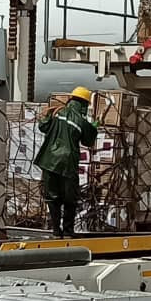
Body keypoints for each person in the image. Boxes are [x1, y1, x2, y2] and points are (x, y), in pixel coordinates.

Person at [33, 87, 98, 238]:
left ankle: (56, 232)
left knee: (52, 197)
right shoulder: (82, 122)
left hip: (49, 161)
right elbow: (88, 141)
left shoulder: (57, 113)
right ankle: (68, 232)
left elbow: (43, 127)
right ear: (84, 105)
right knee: (70, 199)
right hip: (68, 163)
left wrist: (46, 117)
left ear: (71, 99)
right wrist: (93, 128)